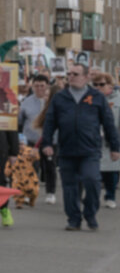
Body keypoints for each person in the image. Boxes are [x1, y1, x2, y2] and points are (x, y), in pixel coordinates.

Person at [39, 62, 120, 230]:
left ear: (85, 76)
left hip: (90, 150)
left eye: (75, 74)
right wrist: (47, 143)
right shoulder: (60, 97)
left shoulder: (96, 97)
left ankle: (90, 214)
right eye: (69, 74)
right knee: (70, 187)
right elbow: (50, 122)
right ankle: (74, 220)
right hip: (67, 149)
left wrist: (115, 147)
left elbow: (109, 123)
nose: (71, 77)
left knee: (92, 181)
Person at [18, 73, 57, 205]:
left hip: (49, 141)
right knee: (30, 168)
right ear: (32, 86)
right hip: (31, 140)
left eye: (42, 86)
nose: (39, 89)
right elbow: (20, 121)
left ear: (47, 86)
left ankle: (51, 193)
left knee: (50, 167)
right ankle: (30, 192)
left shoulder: (54, 101)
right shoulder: (26, 102)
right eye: (36, 86)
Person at [93, 73, 120, 209]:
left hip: (112, 139)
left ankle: (110, 196)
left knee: (111, 171)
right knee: (94, 171)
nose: (98, 87)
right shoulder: (90, 98)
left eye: (102, 84)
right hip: (94, 140)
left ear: (110, 85)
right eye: (95, 85)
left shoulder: (117, 100)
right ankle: (94, 196)